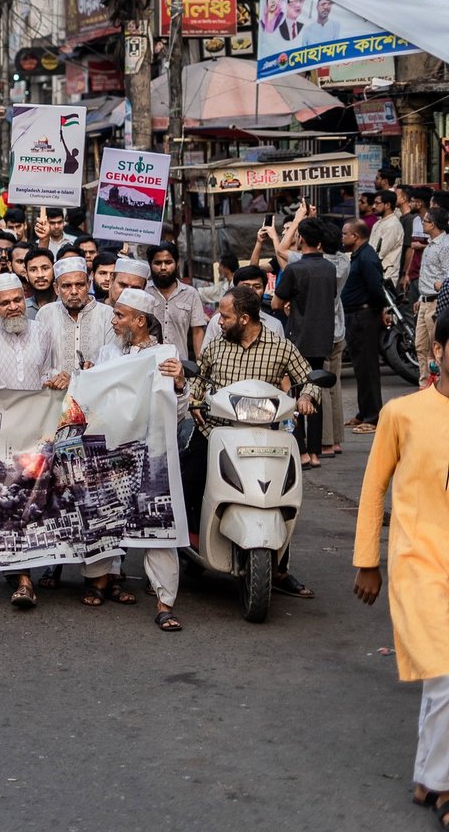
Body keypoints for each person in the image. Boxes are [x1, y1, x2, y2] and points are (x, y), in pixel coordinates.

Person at [353, 316, 449, 822]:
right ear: (439, 348)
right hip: (417, 561)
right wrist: (367, 559)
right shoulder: (403, 413)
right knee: (447, 673)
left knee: (442, 681)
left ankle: (429, 778)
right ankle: (444, 785)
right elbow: (373, 487)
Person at [186, 285, 319, 598]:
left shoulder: (280, 347)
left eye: (225, 316)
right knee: (186, 480)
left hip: (264, 435)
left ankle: (280, 567)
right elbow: (198, 376)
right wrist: (194, 401)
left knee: (280, 496)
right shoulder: (217, 346)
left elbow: (307, 376)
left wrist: (308, 397)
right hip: (214, 430)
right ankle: (189, 548)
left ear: (244, 319)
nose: (219, 322)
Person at [0, 273, 68, 611]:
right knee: (6, 500)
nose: (13, 308)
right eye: (5, 303)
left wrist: (58, 378)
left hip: (37, 428)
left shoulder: (42, 330)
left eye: (16, 300)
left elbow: (49, 371)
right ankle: (21, 572)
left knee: (31, 498)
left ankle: (23, 575)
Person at [89, 288, 187, 631]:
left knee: (157, 524)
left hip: (153, 456)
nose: (113, 321)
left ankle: (164, 603)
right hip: (112, 453)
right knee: (105, 517)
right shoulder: (106, 353)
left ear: (140, 321)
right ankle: (100, 582)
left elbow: (180, 410)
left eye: (120, 315)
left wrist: (179, 383)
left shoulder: (166, 355)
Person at [272, 219, 338, 468]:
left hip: (297, 338)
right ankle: (315, 453)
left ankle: (301, 452)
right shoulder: (329, 268)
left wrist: (290, 307)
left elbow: (277, 303)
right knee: (316, 393)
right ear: (320, 241)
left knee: (296, 395)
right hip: (322, 337)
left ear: (300, 239)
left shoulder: (294, 269)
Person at [341, 218, 386, 432]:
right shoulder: (357, 256)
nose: (342, 238)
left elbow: (376, 290)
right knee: (360, 368)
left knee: (368, 368)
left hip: (364, 315)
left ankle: (373, 417)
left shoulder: (367, 257)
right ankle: (363, 412)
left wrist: (378, 311)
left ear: (355, 236)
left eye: (344, 234)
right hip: (354, 316)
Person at [34, 256, 115, 372]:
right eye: (66, 286)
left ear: (88, 285)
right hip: (54, 389)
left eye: (80, 285)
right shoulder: (45, 314)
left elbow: (113, 363)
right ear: (56, 288)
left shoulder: (108, 315)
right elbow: (38, 361)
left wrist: (94, 369)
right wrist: (56, 376)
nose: (74, 292)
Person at [145, 242, 206, 361]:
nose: (163, 267)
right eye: (157, 263)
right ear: (150, 265)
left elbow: (197, 332)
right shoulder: (143, 292)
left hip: (179, 365)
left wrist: (200, 366)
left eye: (168, 262)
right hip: (149, 363)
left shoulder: (190, 294)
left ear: (177, 264)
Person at [414, 207, 449, 390]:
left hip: (437, 301)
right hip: (425, 301)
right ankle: (424, 385)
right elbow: (427, 273)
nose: (423, 223)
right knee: (420, 345)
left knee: (436, 348)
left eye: (425, 221)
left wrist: (440, 285)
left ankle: (438, 387)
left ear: (433, 224)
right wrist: (421, 296)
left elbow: (447, 274)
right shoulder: (430, 244)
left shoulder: (445, 245)